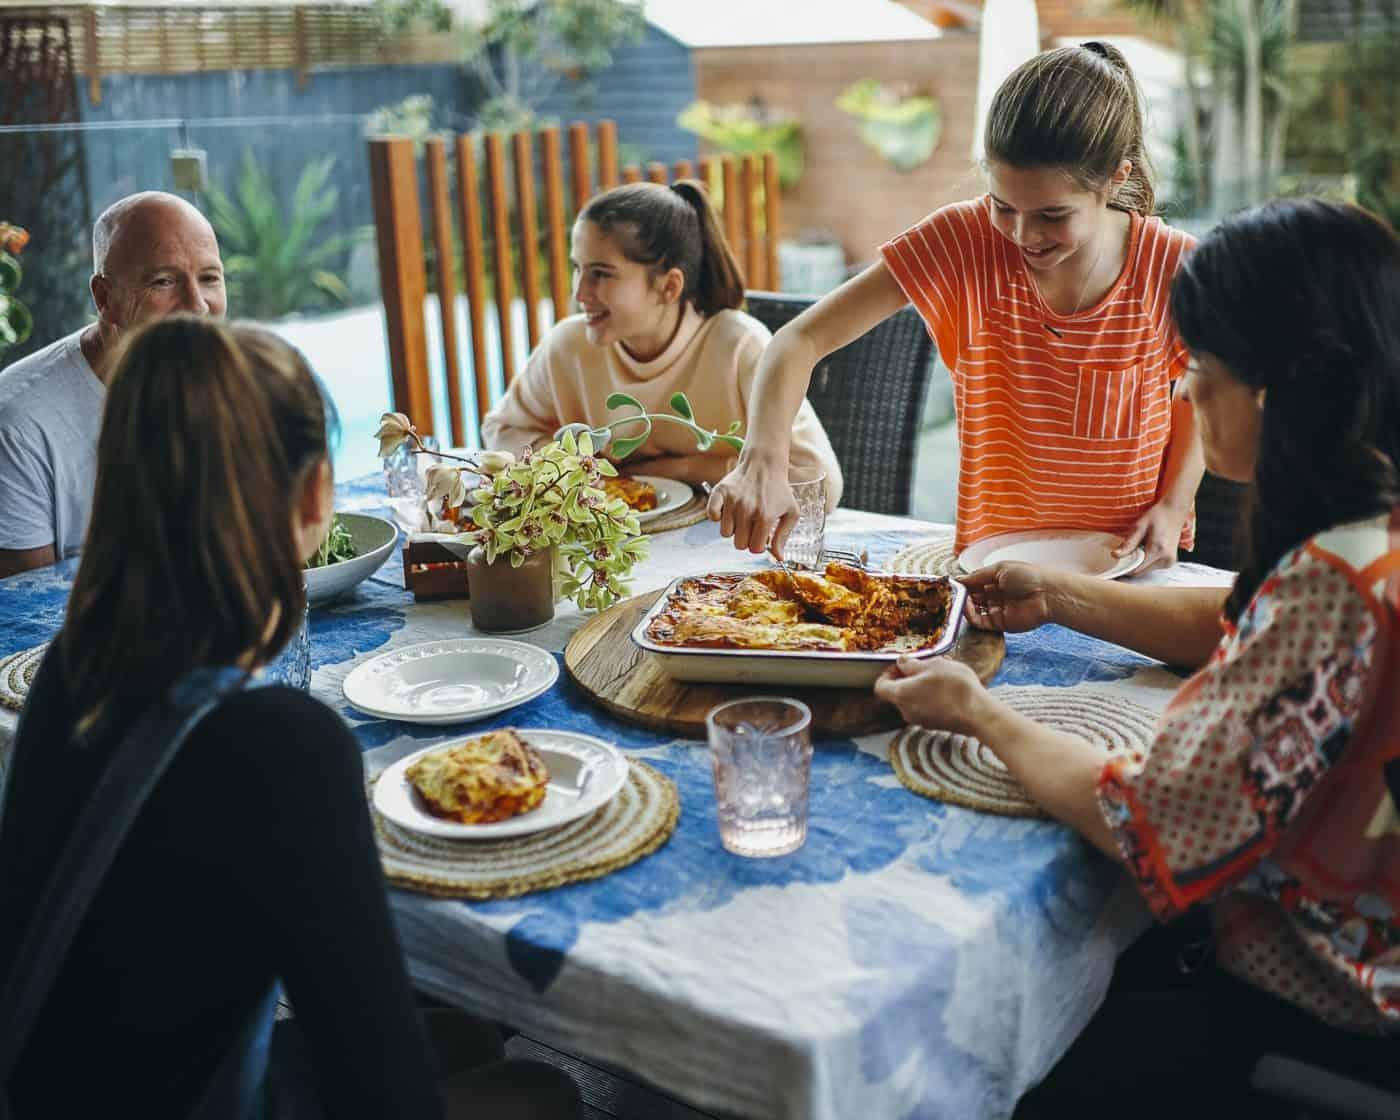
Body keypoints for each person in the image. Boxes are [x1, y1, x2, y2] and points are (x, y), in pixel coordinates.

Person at [874, 198, 1400, 1115]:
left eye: (1198, 366)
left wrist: (975, 711)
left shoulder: (1332, 582)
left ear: (1274, 389)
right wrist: (1067, 596)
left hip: (1317, 1006)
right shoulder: (1367, 527)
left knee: (987, 1042)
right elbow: (1244, 622)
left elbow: (1143, 822)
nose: (1183, 392)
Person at [0, 317, 581, 1119]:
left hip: (57, 1086)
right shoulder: (278, 744)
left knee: (468, 1038)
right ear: (315, 499)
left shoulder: (75, 669)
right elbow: (386, 1096)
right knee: (541, 1089)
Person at [708, 42, 1203, 569]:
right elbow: (798, 340)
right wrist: (764, 457)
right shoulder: (961, 239)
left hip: (1125, 571)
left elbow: (1203, 384)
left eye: (1053, 215)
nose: (1022, 234)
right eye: (1003, 205)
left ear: (1115, 181)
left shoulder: (1172, 268)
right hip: (993, 568)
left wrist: (1175, 505)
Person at [481, 180, 843, 507]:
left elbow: (819, 485)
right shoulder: (568, 346)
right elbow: (502, 432)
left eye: (601, 274)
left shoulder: (740, 347)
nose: (579, 292)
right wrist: (572, 463)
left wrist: (677, 468)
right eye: (578, 269)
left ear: (669, 286)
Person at [0, 191, 226, 578]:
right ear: (105, 298)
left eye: (209, 278)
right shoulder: (20, 426)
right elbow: (25, 617)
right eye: (163, 281)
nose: (198, 305)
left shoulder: (234, 382)